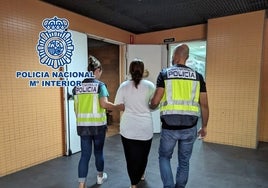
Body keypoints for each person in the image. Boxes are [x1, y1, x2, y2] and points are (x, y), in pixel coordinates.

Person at [149, 44, 209, 188]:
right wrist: (204, 126)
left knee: (164, 157)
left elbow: (155, 102)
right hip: (190, 127)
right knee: (184, 161)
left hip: (169, 128)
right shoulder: (198, 77)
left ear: (175, 56)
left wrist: (150, 104)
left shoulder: (165, 74)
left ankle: (168, 186)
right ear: (186, 57)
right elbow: (205, 105)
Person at [73, 55, 123, 188]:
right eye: (101, 72)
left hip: (83, 126)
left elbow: (76, 108)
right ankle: (100, 177)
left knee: (85, 155)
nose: (100, 74)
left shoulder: (77, 87)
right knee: (98, 152)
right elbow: (104, 104)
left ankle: (81, 184)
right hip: (98, 127)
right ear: (98, 70)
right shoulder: (100, 86)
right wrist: (119, 107)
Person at [114, 59, 155, 188]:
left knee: (130, 157)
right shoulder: (150, 85)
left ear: (130, 71)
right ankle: (141, 173)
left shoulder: (123, 86)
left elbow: (119, 105)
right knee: (144, 155)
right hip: (145, 127)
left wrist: (129, 107)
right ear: (142, 71)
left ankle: (133, 184)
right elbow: (154, 105)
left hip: (128, 127)